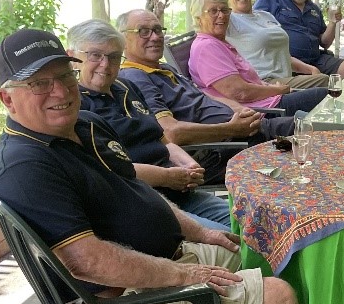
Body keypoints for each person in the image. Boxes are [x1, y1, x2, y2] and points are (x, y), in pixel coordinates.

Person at [0, 28, 301, 304]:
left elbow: (137, 191)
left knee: (255, 251)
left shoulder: (85, 124)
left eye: (65, 76)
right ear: (6, 98)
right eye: (39, 83)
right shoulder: (24, 166)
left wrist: (199, 232)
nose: (61, 92)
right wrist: (185, 276)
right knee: (278, 298)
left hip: (157, 263)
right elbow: (85, 261)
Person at [67, 18, 231, 230]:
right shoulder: (78, 107)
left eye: (114, 56)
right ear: (72, 58)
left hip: (180, 191)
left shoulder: (126, 87)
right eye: (95, 55)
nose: (105, 64)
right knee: (230, 236)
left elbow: (162, 140)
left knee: (249, 223)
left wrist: (189, 165)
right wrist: (167, 177)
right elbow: (111, 171)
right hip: (143, 203)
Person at [116, 8, 295, 182]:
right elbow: (171, 132)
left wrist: (239, 109)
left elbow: (202, 96)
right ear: (123, 40)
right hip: (222, 149)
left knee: (309, 126)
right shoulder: (136, 77)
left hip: (248, 131)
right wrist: (232, 129)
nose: (154, 37)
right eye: (143, 32)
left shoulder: (162, 68)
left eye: (157, 30)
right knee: (308, 134)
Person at [187, 0, 328, 114]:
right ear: (198, 18)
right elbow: (240, 92)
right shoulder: (207, 47)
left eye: (224, 10)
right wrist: (278, 89)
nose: (221, 15)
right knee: (324, 95)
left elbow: (249, 84)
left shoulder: (221, 43)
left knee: (326, 93)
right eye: (213, 11)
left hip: (268, 100)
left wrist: (275, 89)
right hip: (263, 111)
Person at [206, 0, 329, 89]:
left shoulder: (266, 16)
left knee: (325, 81)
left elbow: (283, 57)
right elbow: (207, 19)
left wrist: (310, 69)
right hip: (263, 83)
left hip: (285, 80)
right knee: (326, 82)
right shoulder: (229, 20)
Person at [253, 0, 344, 77]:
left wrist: (332, 22)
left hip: (317, 60)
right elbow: (253, 24)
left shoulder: (314, 9)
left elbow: (325, 43)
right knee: (322, 83)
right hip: (288, 64)